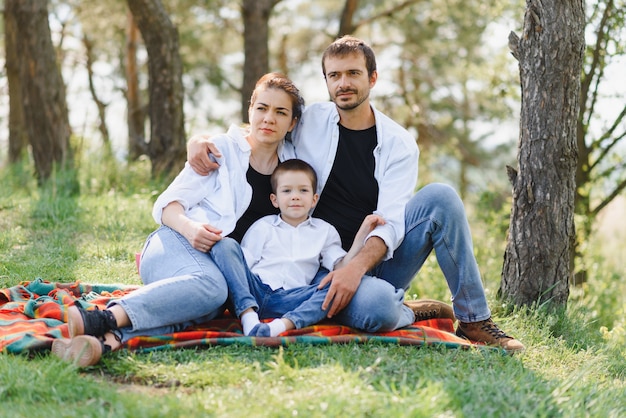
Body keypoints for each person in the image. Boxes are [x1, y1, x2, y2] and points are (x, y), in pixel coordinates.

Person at [52, 72, 449, 367]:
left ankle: (105, 341)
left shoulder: (296, 171)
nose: (268, 119)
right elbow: (167, 206)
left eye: (280, 113)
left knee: (211, 306)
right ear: (250, 111)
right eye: (261, 108)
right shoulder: (220, 151)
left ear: (293, 123)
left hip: (232, 276)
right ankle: (98, 317)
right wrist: (192, 230)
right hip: (177, 245)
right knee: (209, 288)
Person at [187, 36, 525, 352]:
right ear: (327, 82)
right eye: (334, 75)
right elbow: (265, 124)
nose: (343, 83)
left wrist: (354, 270)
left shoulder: (398, 142)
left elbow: (391, 222)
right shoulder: (311, 121)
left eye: (353, 73)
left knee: (442, 198)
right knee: (376, 310)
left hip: (378, 258)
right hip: (318, 261)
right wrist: (203, 140)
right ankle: (405, 310)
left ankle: (473, 319)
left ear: (372, 78)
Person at [211, 158, 386, 337]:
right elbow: (243, 266)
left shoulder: (325, 231)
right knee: (225, 244)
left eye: (303, 190)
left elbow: (341, 267)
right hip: (254, 291)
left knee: (334, 283)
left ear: (314, 199)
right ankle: (248, 317)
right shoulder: (262, 227)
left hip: (294, 298)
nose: (295, 196)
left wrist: (361, 236)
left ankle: (281, 326)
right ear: (275, 199)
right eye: (287, 191)